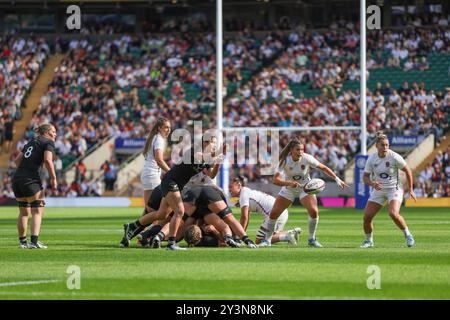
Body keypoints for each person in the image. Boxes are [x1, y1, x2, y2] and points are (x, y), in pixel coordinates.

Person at [120, 135, 222, 250]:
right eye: (213, 143)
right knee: (180, 211)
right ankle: (171, 244)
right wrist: (216, 154)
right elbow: (201, 157)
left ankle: (132, 226)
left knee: (161, 214)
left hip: (175, 184)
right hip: (170, 182)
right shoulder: (195, 151)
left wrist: (218, 162)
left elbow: (212, 174)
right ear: (205, 143)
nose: (215, 146)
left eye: (215, 143)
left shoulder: (207, 159)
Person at [260, 138, 349, 247]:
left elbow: (323, 168)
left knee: (314, 211)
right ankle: (267, 240)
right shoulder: (285, 161)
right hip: (289, 189)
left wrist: (337, 179)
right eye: (298, 150)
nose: (300, 152)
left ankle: (312, 239)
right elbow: (275, 180)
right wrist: (289, 183)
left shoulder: (307, 158)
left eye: (302, 149)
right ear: (291, 150)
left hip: (305, 188)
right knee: (273, 214)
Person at [360, 132, 416, 248]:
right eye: (382, 145)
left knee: (393, 213)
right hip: (379, 190)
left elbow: (408, 171)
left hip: (394, 188)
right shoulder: (372, 159)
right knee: (367, 217)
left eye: (387, 145)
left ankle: (408, 235)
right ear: (376, 146)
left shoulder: (394, 157)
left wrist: (410, 189)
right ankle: (368, 241)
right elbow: (365, 177)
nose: (385, 147)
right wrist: (372, 183)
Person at [12, 123, 57, 249]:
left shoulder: (31, 142)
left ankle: (22, 243)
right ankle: (34, 242)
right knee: (37, 210)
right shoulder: (48, 142)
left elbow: (16, 161)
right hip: (30, 179)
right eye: (53, 131)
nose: (55, 134)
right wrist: (53, 178)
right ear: (47, 132)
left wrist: (24, 171)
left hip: (17, 178)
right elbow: (48, 160)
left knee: (23, 211)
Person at [229, 175, 301, 245]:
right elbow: (246, 218)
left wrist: (239, 237)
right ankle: (291, 233)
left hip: (275, 215)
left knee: (259, 241)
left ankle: (288, 236)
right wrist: (242, 236)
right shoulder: (246, 192)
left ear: (238, 185)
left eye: (231, 187)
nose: (229, 190)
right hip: (281, 212)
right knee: (272, 236)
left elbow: (244, 218)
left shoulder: (243, 194)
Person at [141, 117, 171, 212]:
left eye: (169, 128)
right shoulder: (159, 139)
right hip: (152, 174)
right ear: (159, 128)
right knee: (154, 209)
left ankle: (137, 227)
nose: (169, 130)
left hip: (148, 174)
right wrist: (171, 172)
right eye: (166, 127)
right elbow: (159, 160)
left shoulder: (154, 137)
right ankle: (143, 226)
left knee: (148, 209)